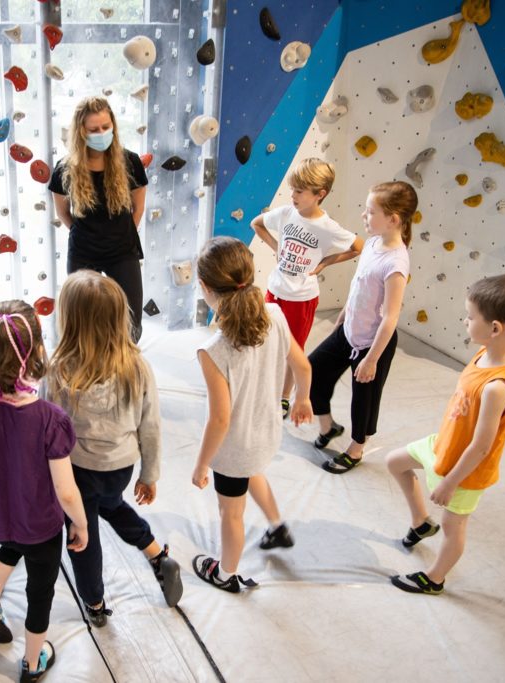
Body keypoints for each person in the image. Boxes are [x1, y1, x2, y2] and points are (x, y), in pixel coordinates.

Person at [0, 301, 88, 683]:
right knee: (39, 592)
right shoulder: (51, 420)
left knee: (10, 548)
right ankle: (32, 661)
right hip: (41, 526)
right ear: (38, 352)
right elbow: (66, 491)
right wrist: (81, 524)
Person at [386, 274, 505, 594]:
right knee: (394, 462)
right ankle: (420, 522)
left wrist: (450, 482)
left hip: (465, 472)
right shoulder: (484, 352)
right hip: (442, 445)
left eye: (471, 317)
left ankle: (434, 578)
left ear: (495, 328)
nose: (465, 321)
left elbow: (482, 446)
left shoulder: (497, 387)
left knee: (453, 526)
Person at [47, 270, 182, 626]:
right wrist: (150, 474)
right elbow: (151, 425)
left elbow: (49, 430)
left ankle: (94, 602)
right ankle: (156, 554)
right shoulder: (137, 365)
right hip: (120, 468)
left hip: (76, 471)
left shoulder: (59, 370)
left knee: (82, 533)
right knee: (111, 504)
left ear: (69, 319)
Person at [190, 237, 313, 592]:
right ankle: (277, 525)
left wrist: (202, 464)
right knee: (253, 470)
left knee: (231, 514)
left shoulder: (213, 349)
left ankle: (225, 573)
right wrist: (302, 400)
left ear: (204, 287)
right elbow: (303, 366)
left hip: (234, 450)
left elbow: (220, 419)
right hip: (267, 433)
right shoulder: (275, 315)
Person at [308, 181, 416, 473]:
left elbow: (390, 317)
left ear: (393, 219)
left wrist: (371, 360)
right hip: (349, 330)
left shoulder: (396, 263)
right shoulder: (371, 243)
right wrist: (344, 314)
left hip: (373, 343)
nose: (363, 216)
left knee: (364, 401)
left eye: (370, 212)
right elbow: (360, 287)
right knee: (313, 370)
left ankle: (355, 450)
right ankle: (328, 426)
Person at [251, 158, 362, 414]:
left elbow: (359, 247)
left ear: (319, 194)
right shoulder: (286, 213)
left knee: (293, 349)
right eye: (293, 189)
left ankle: (283, 396)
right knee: (266, 340)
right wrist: (277, 247)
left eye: (299, 191)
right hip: (275, 291)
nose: (293, 196)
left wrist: (325, 262)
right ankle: (262, 387)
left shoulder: (328, 227)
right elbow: (256, 223)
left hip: (301, 298)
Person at [49, 96, 148, 340]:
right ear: (81, 131)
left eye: (106, 127)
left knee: (132, 325)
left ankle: (122, 360)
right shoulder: (64, 168)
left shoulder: (130, 162)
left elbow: (138, 207)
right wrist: (87, 234)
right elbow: (63, 212)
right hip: (83, 251)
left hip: (123, 251)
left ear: (113, 125)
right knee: (81, 323)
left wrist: (121, 234)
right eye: (94, 129)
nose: (101, 133)